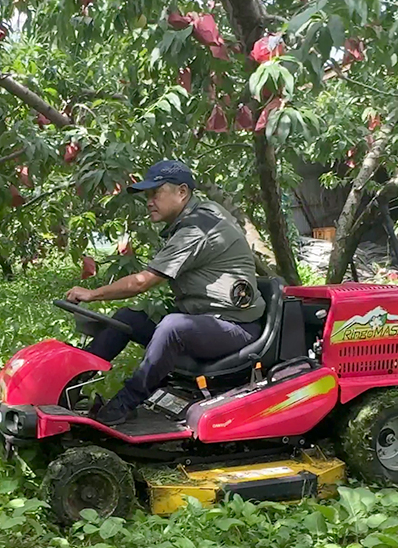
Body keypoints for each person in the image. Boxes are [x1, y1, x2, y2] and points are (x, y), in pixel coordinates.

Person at [65, 159, 265, 426]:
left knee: (172, 327)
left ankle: (121, 407)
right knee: (127, 319)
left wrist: (92, 294)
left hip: (236, 328)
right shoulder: (196, 217)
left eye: (155, 193)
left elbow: (141, 282)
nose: (149, 202)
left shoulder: (197, 229)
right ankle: (70, 389)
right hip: (208, 323)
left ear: (182, 192)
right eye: (147, 196)